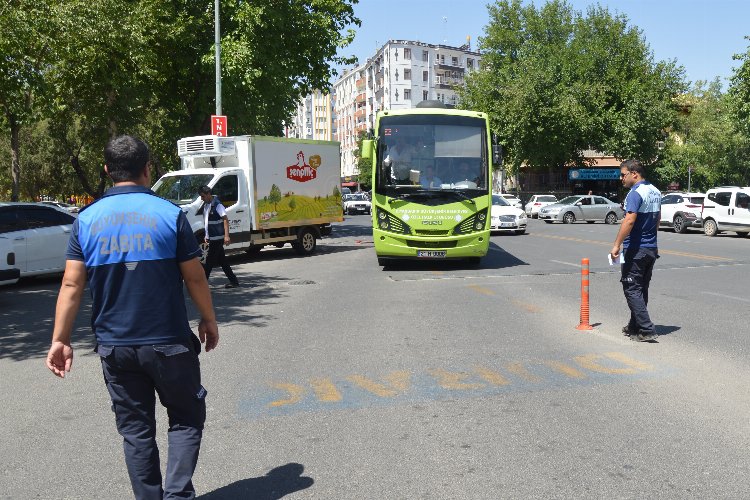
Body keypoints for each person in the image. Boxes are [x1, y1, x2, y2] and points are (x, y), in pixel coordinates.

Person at [45, 135, 219, 499]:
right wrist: (208, 319)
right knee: (186, 419)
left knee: (136, 432)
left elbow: (71, 284)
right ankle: (177, 495)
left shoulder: (87, 220)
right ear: (147, 168)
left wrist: (60, 339)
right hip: (169, 342)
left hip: (115, 348)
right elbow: (194, 276)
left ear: (107, 170)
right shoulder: (169, 215)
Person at [609, 159, 662, 342]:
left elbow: (629, 220)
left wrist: (617, 245)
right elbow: (657, 220)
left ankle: (647, 329)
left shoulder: (635, 193)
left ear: (634, 174)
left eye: (623, 175)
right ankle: (634, 326)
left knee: (631, 288)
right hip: (650, 248)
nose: (621, 179)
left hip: (636, 249)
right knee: (641, 289)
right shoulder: (655, 191)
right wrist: (652, 242)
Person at [199, 185, 240, 288]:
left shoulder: (217, 205)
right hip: (212, 237)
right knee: (222, 261)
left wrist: (226, 236)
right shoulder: (206, 205)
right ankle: (234, 281)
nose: (201, 198)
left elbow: (225, 219)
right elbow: (207, 222)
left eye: (203, 196)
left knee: (209, 262)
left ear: (208, 194)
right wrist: (206, 235)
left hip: (218, 238)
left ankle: (202, 285)